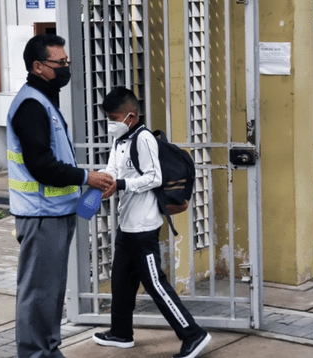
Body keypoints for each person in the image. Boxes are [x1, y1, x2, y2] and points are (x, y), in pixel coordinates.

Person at [7, 34, 113, 358]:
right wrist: (86, 177)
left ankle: (49, 350)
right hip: (40, 216)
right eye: (60, 63)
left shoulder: (44, 101)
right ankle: (35, 354)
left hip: (54, 214)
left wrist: (82, 179)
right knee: (38, 294)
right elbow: (40, 165)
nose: (66, 68)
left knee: (51, 294)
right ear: (38, 66)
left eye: (67, 61)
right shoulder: (30, 106)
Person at [91, 87, 212, 358]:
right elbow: (113, 168)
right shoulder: (120, 141)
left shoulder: (144, 139)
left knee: (156, 284)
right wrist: (104, 178)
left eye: (114, 117)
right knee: (121, 281)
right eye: (108, 118)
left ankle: (193, 335)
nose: (110, 123)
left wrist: (121, 184)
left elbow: (154, 177)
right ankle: (120, 333)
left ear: (130, 116)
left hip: (144, 227)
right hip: (127, 224)